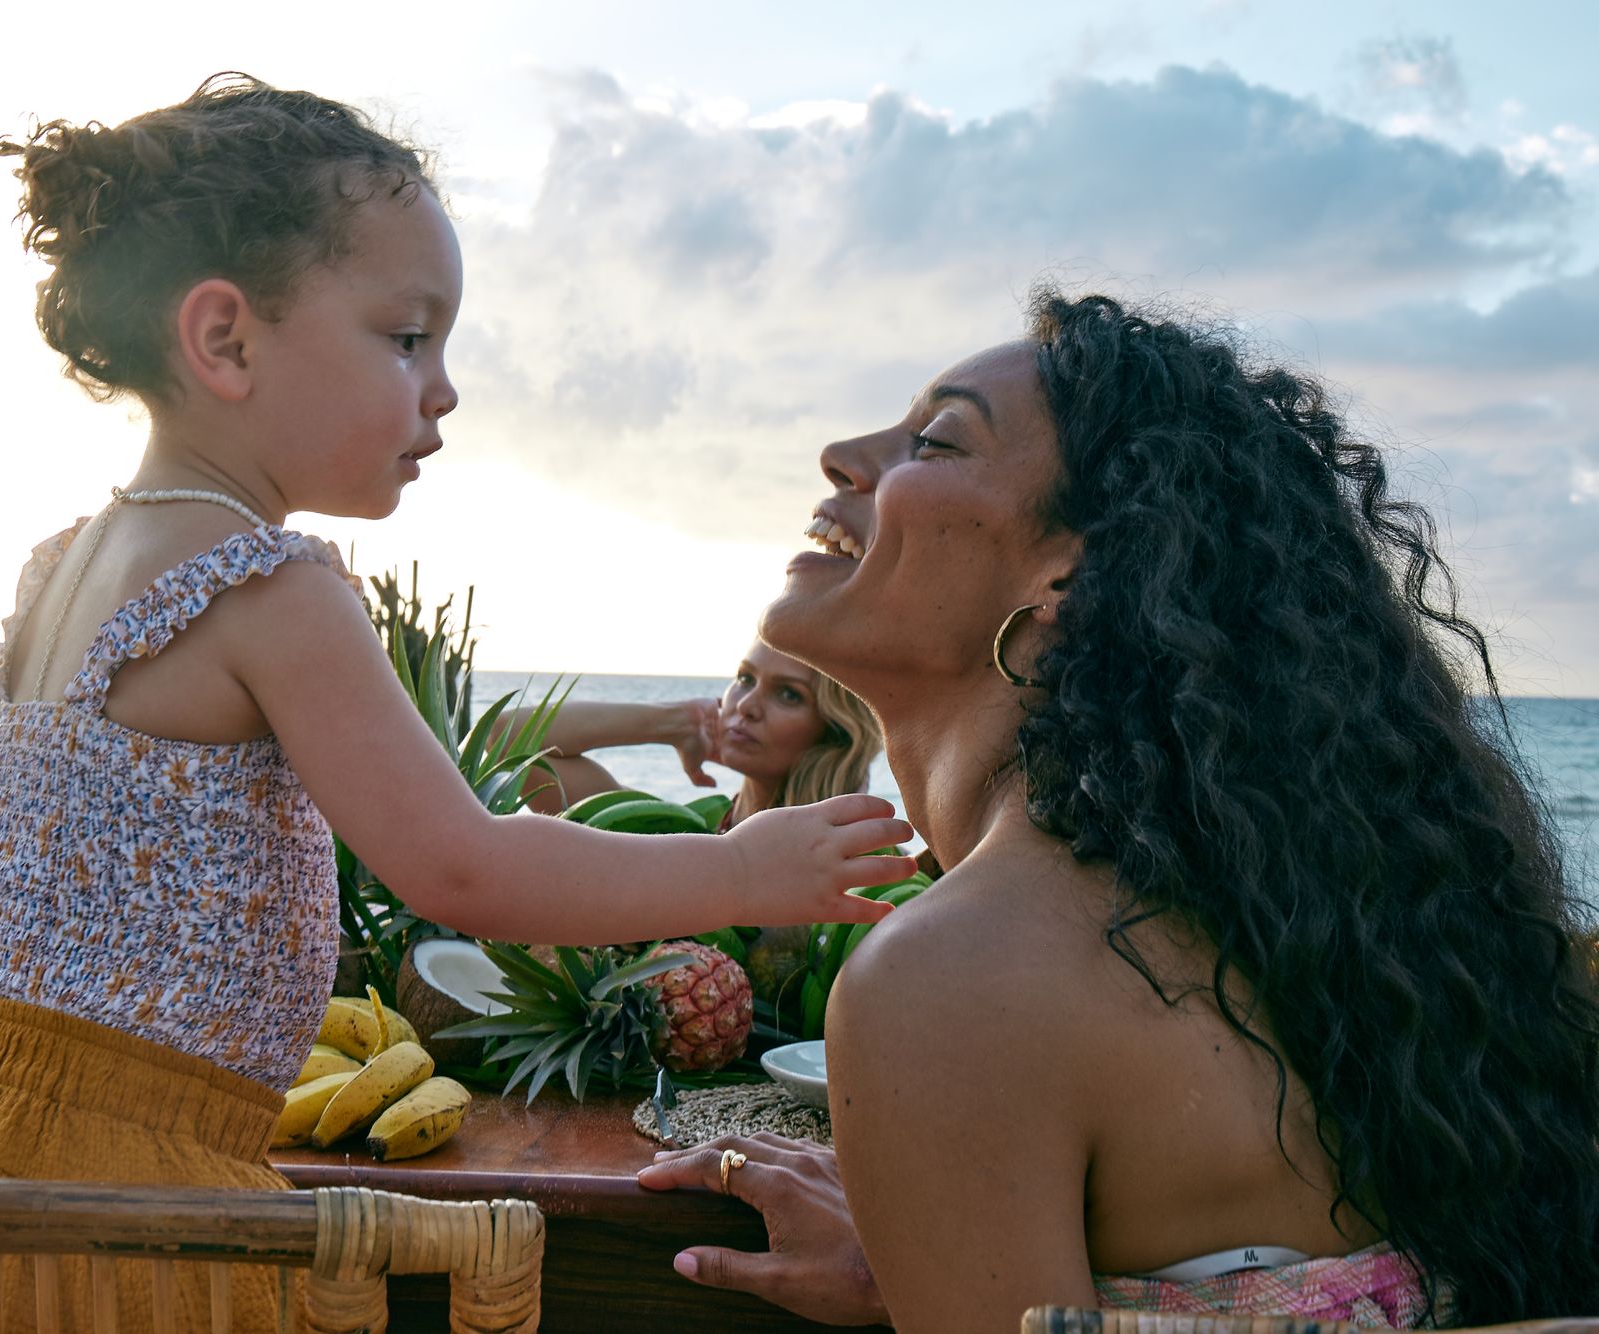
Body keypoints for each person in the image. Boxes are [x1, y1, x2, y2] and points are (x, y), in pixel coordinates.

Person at [0, 74, 913, 1332]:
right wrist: (739, 877)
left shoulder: (64, 566)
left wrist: (53, 1045)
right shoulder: (270, 585)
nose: (442, 389)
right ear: (225, 341)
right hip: (119, 1195)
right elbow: (463, 872)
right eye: (405, 336)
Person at [639, 292, 1599, 1329]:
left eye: (935, 438)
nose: (839, 454)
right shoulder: (1279, 917)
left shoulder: (953, 976)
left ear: (1068, 567)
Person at [513, 637, 883, 826]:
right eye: (744, 679)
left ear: (834, 730)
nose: (746, 705)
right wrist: (675, 722)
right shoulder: (683, 834)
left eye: (789, 694)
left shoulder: (872, 872)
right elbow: (507, 747)